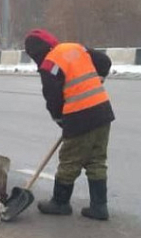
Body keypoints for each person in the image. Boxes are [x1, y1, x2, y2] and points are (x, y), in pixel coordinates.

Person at [24, 28, 115, 220]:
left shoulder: (49, 64)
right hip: (103, 111)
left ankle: (60, 202)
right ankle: (99, 207)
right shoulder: (76, 47)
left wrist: (60, 120)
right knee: (97, 159)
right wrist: (99, 79)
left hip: (80, 116)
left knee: (69, 160)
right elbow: (105, 62)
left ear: (36, 54)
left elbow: (53, 98)